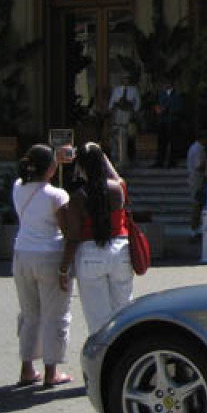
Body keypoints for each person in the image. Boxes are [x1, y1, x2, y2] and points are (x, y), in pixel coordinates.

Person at [12, 144, 73, 388]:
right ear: (50, 167)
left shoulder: (18, 187)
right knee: (55, 314)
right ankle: (51, 372)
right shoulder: (57, 195)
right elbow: (67, 230)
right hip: (49, 256)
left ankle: (27, 368)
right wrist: (64, 268)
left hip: (22, 253)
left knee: (29, 314)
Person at [60, 143, 133, 336]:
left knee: (98, 321)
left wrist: (63, 269)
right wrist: (100, 154)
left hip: (90, 253)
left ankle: (101, 362)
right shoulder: (118, 189)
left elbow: (74, 236)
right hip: (120, 250)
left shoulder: (78, 196)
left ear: (80, 166)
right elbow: (116, 178)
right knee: (124, 314)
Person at [108, 74, 141, 166]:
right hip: (118, 113)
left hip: (128, 113)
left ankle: (129, 158)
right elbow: (112, 102)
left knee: (129, 137)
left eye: (127, 79)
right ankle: (117, 158)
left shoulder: (133, 90)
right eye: (124, 79)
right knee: (116, 136)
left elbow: (137, 103)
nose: (125, 80)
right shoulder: (116, 89)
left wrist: (134, 112)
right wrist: (111, 110)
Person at [186, 128, 207, 237]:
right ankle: (193, 229)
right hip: (197, 179)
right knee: (197, 204)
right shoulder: (198, 149)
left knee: (200, 204)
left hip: (198, 179)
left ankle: (197, 228)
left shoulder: (197, 148)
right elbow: (198, 166)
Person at [153, 80, 184, 168]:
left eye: (168, 83)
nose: (166, 84)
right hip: (162, 121)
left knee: (173, 142)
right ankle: (160, 161)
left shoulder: (177, 95)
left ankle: (172, 161)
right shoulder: (161, 94)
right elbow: (157, 105)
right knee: (162, 142)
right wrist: (158, 110)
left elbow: (178, 107)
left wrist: (166, 109)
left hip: (172, 120)